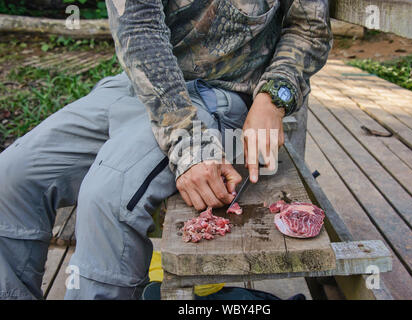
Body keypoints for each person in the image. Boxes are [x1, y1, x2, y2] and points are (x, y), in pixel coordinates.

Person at [0, 0, 332, 299]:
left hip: (218, 96)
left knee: (108, 197)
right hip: (137, 86)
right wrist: (189, 144)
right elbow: (138, 27)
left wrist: (273, 97)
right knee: (12, 174)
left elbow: (308, 28)